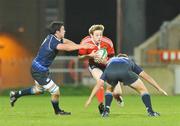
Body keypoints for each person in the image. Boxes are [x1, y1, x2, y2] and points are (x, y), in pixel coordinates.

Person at [10, 21, 94, 115]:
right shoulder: (53, 41)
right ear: (57, 32)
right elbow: (66, 48)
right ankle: (57, 111)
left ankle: (15, 94)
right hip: (38, 70)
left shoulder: (54, 37)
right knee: (55, 91)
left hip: (39, 68)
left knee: (38, 90)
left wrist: (78, 46)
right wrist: (82, 46)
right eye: (63, 29)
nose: (65, 31)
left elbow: (66, 41)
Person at [85, 54, 168, 117]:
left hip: (111, 72)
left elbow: (99, 84)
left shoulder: (110, 63)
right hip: (125, 71)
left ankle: (106, 111)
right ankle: (150, 112)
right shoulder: (129, 61)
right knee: (143, 90)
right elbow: (146, 76)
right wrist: (158, 88)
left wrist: (90, 98)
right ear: (126, 57)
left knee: (109, 90)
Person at [78, 24, 124, 114]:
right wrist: (89, 56)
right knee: (100, 82)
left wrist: (105, 60)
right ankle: (101, 104)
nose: (99, 37)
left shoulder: (108, 42)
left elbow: (112, 58)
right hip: (94, 66)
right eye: (97, 35)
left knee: (117, 92)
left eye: (101, 35)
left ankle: (117, 97)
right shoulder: (85, 42)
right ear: (91, 35)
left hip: (108, 66)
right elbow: (80, 58)